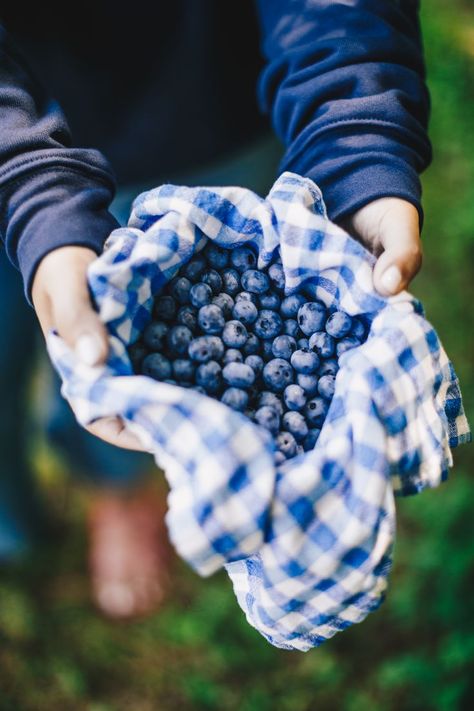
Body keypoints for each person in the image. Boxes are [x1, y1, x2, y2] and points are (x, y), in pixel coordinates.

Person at [0, 0, 431, 616]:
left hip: (214, 103)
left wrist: (354, 128)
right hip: (15, 128)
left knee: (117, 372)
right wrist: (26, 185)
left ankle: (117, 492)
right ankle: (14, 526)